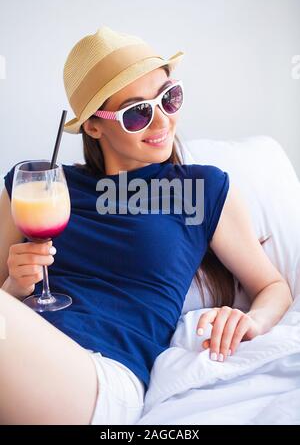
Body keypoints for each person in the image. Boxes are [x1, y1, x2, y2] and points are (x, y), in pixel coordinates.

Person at [0, 26, 293, 425]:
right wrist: (16, 285)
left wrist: (250, 320)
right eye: (137, 111)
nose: (161, 122)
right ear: (93, 126)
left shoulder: (198, 189)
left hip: (100, 379)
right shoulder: (36, 184)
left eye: (168, 98)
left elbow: (273, 286)